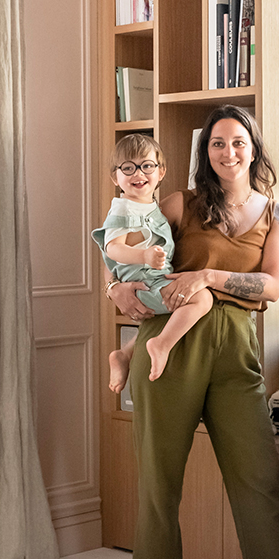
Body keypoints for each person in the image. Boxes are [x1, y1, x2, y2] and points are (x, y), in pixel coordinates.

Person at [109, 105, 279, 559]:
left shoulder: (276, 213)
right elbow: (133, 249)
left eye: (238, 142)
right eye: (217, 144)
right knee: (161, 468)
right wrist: (117, 287)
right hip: (172, 344)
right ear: (206, 154)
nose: (229, 152)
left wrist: (206, 276)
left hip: (236, 349)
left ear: (254, 149)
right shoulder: (180, 203)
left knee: (258, 470)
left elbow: (272, 284)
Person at [92, 134, 214, 393]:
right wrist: (143, 256)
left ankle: (125, 354)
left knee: (174, 309)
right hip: (144, 283)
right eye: (128, 168)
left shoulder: (149, 206)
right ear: (115, 178)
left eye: (147, 166)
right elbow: (112, 248)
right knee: (202, 299)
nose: (139, 173)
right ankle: (161, 345)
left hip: (154, 278)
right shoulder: (124, 209)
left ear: (161, 172)